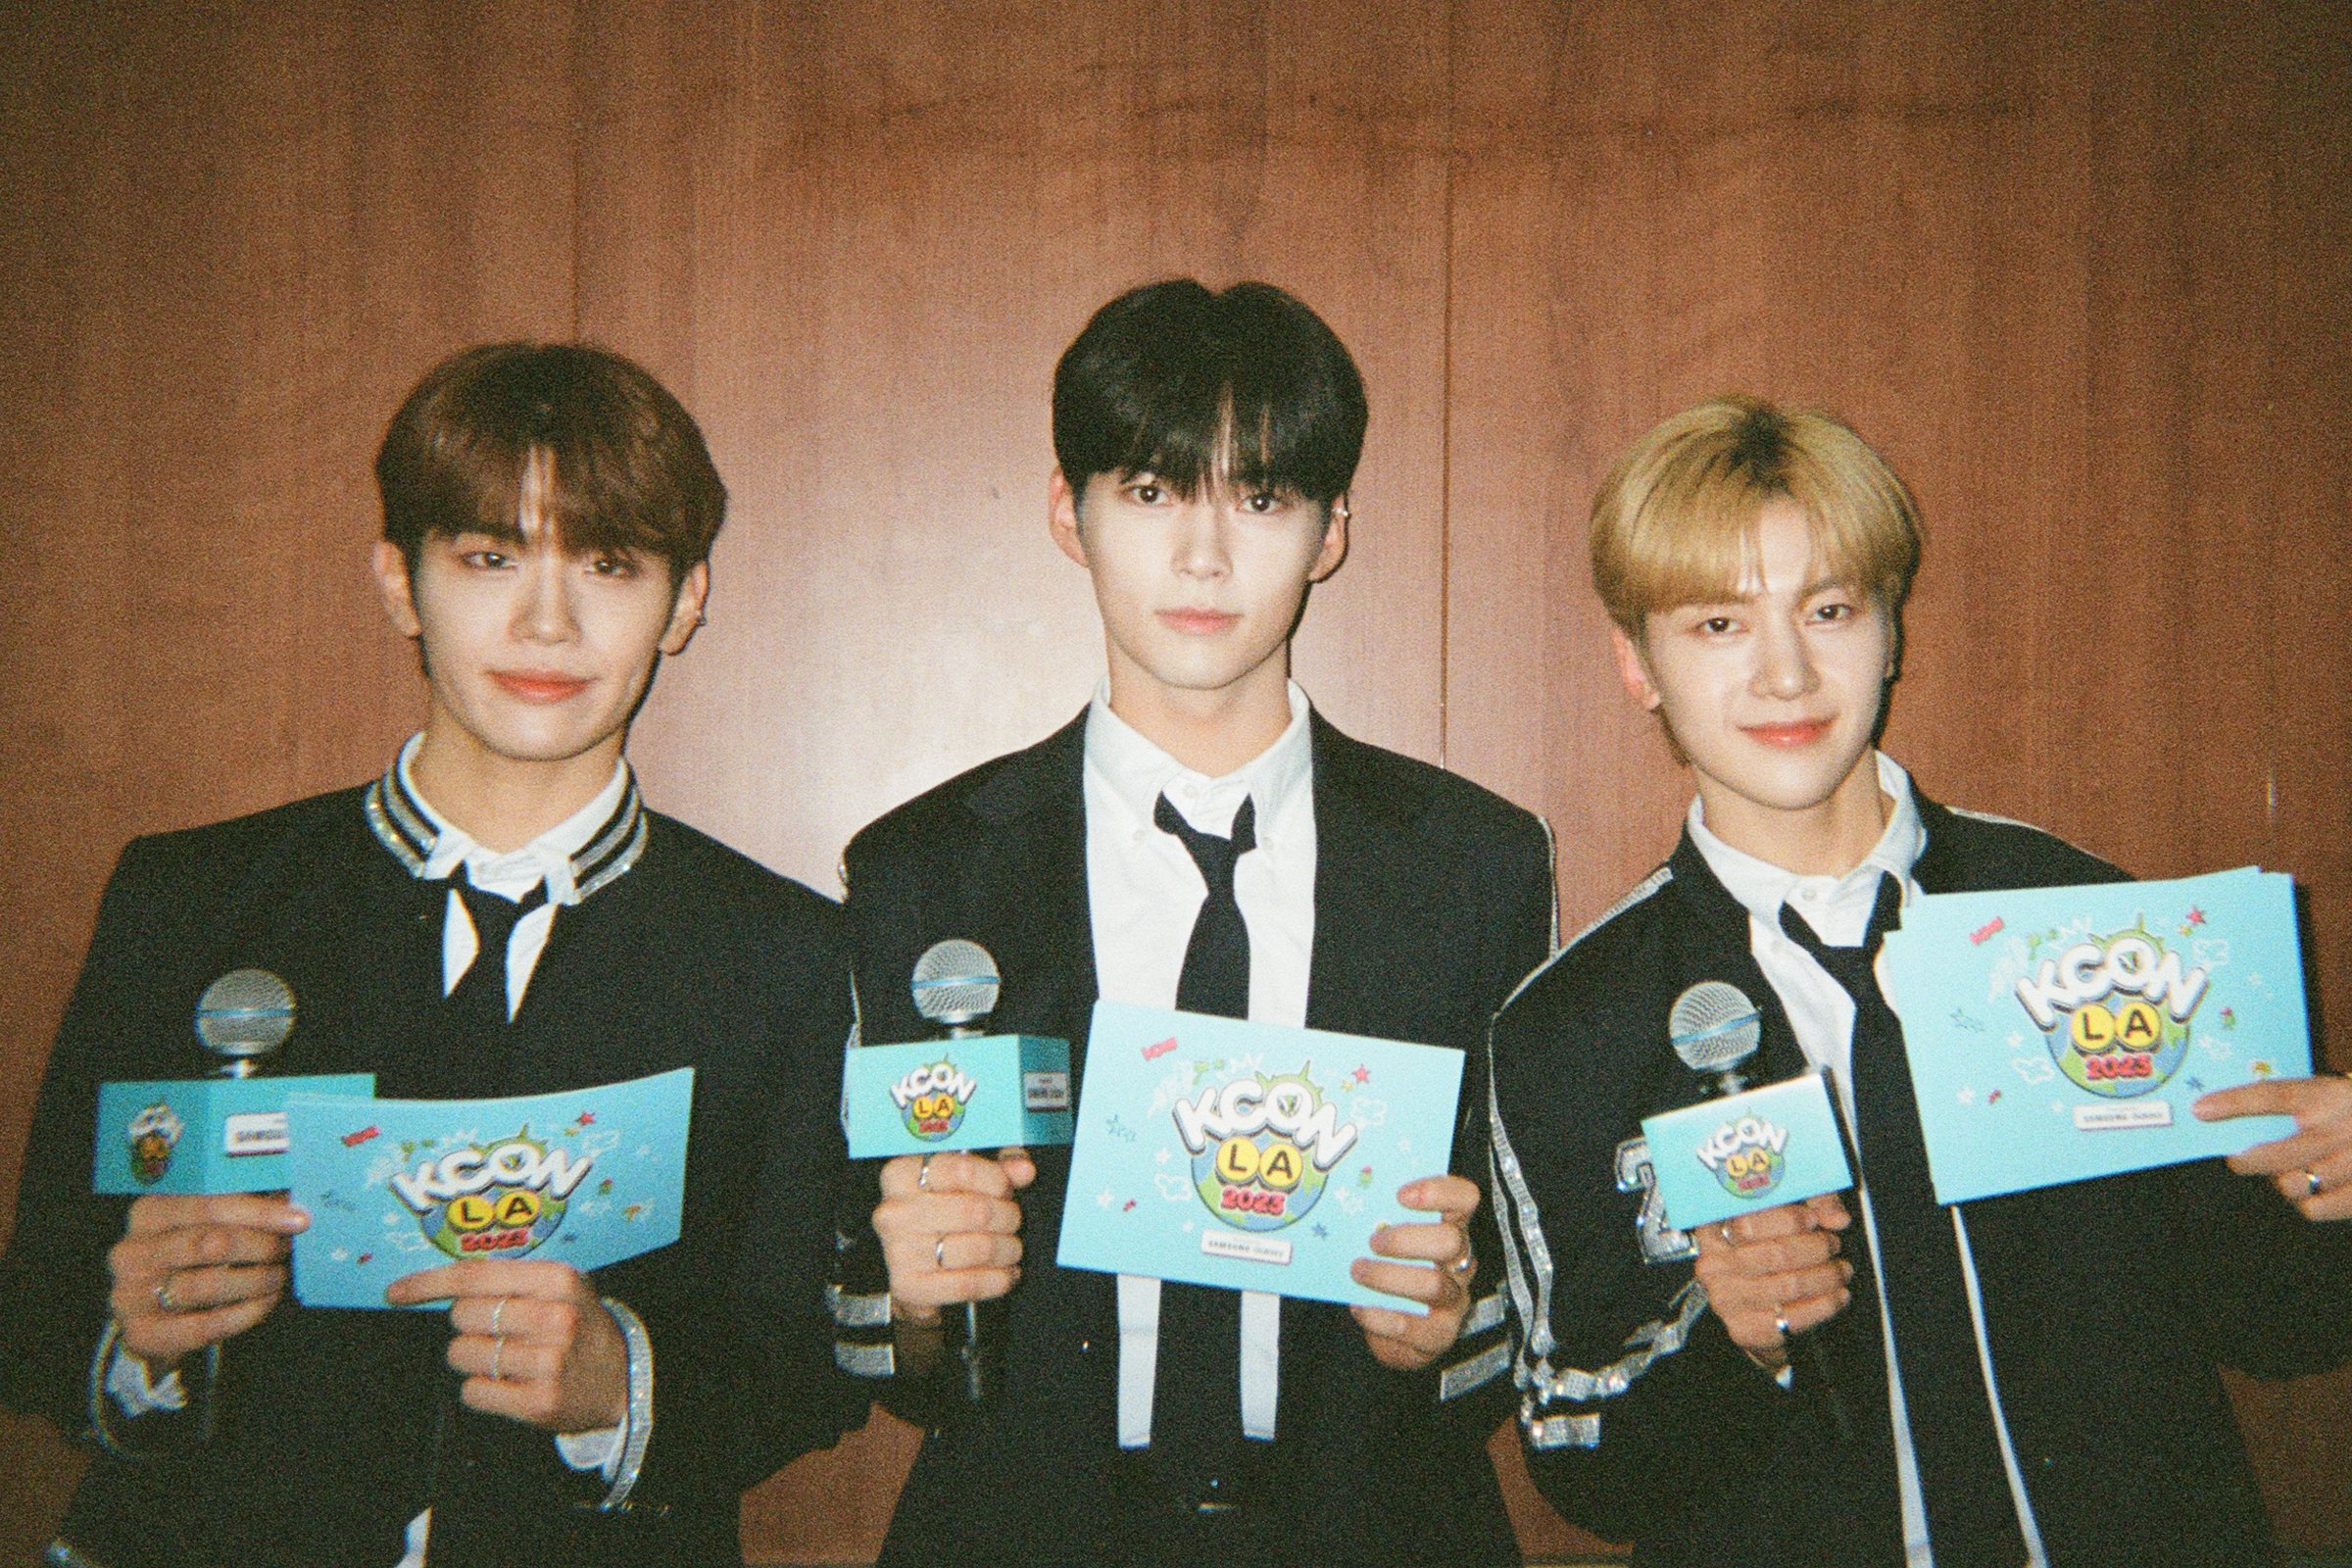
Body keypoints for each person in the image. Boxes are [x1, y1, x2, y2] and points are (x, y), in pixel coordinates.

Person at [0, 343, 864, 1566]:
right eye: (490, 558)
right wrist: (136, 1334)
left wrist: (620, 1385)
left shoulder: (783, 956)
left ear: (684, 603)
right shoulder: (190, 903)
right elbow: (39, 1307)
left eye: (609, 565)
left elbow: (802, 1366)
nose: (548, 622)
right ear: (400, 583)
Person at [1487, 393, 2352, 1566]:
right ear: (1637, 664)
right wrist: (1731, 1343)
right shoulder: (1571, 1026)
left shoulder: (2089, 923)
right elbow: (1576, 1455)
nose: (1787, 673)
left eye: (1830, 609)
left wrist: (2331, 1191)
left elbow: (2283, 1320)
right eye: (1720, 623)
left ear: (1891, 631)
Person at [828, 279, 1555, 1565]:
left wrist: (1450, 1313)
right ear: (1070, 513)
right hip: (1023, 1534)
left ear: (1331, 531)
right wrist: (922, 1295)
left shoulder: (1473, 864)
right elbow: (860, 1306)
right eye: (1155, 490)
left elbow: (1530, 1266)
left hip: (1375, 1530)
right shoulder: (926, 871)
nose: (1206, 555)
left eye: (1261, 499)